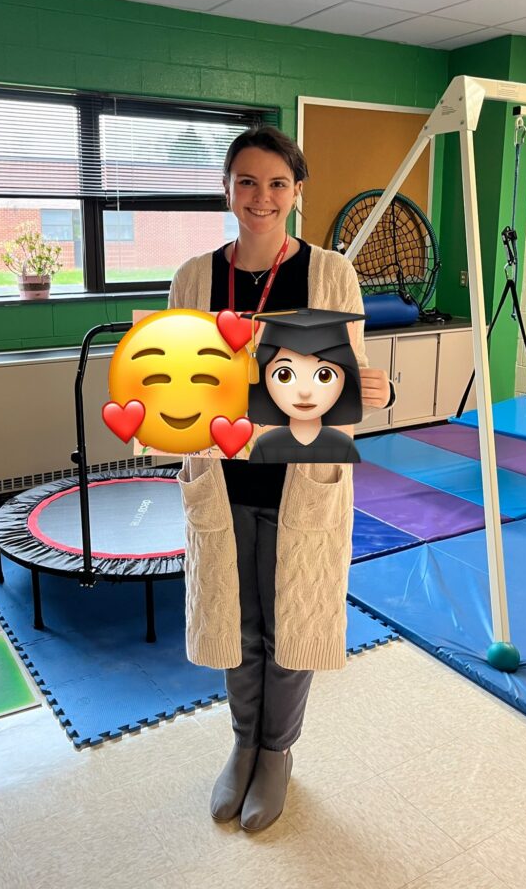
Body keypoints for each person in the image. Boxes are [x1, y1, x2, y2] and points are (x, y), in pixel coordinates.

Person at [168, 126, 391, 833]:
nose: (260, 197)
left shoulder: (331, 274)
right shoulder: (194, 277)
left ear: (297, 193)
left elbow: (343, 383)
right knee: (237, 625)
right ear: (227, 189)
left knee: (292, 620)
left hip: (301, 483)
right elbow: (178, 382)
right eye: (246, 182)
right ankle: (241, 743)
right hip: (225, 481)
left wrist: (373, 390)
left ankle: (277, 751)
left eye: (275, 183)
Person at [247, 308, 364, 465]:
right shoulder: (263, 447)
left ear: (346, 378)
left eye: (324, 375)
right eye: (284, 375)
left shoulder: (345, 448)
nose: (305, 392)